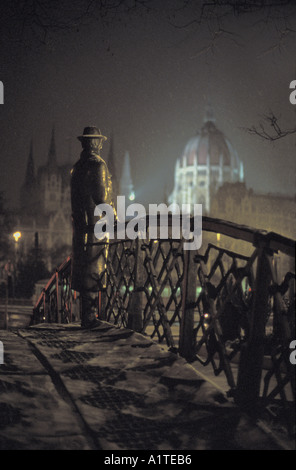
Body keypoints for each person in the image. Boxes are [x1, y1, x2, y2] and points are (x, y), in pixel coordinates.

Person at [71, 126, 114, 328]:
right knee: (93, 271)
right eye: (100, 141)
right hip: (95, 228)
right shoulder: (98, 166)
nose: (101, 145)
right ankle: (90, 318)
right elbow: (102, 198)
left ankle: (86, 317)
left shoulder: (77, 167)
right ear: (95, 143)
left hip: (81, 229)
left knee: (84, 269)